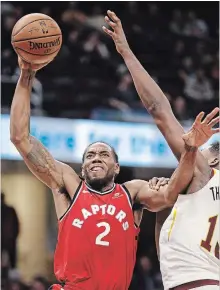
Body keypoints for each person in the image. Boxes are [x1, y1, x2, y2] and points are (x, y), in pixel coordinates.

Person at [10, 54, 217, 289]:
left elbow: (170, 194)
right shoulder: (68, 186)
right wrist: (26, 76)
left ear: (116, 167)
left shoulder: (132, 192)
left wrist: (189, 150)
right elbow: (21, 139)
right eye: (90, 156)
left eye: (103, 155)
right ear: (83, 167)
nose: (96, 159)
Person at [103, 10, 219, 289]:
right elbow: (165, 248)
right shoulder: (197, 188)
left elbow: (159, 111)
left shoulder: (203, 171)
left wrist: (126, 53)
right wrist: (167, 204)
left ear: (213, 157)